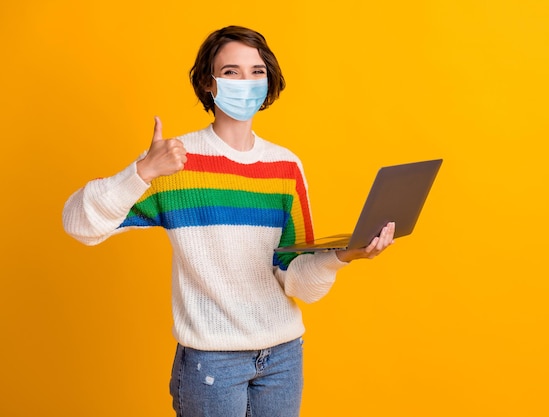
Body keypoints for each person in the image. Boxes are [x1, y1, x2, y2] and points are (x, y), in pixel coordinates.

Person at [62, 25, 395, 417]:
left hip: (283, 358)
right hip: (212, 363)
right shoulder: (174, 164)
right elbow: (78, 223)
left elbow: (297, 280)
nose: (247, 81)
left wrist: (346, 255)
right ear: (208, 82)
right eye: (232, 71)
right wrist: (143, 171)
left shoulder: (286, 166)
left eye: (257, 71)